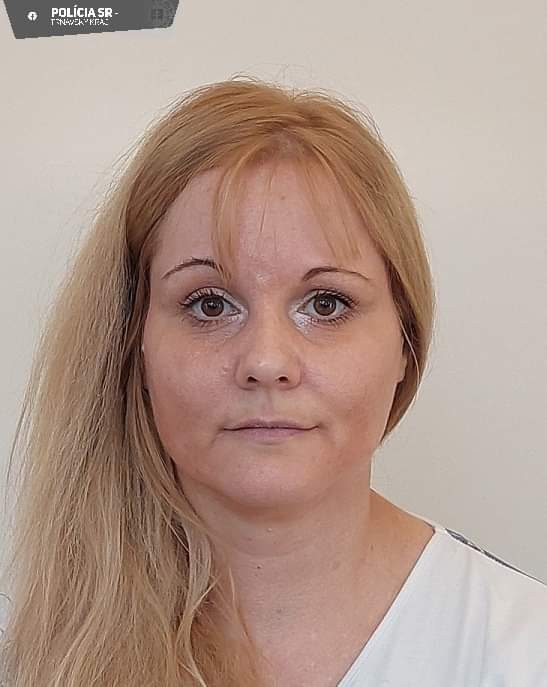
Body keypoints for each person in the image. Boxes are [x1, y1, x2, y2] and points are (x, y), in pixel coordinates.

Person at [0, 76, 545, 687]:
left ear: (405, 343)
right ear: (134, 344)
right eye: (210, 304)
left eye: (326, 304)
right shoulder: (33, 663)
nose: (265, 360)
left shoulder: (526, 653)